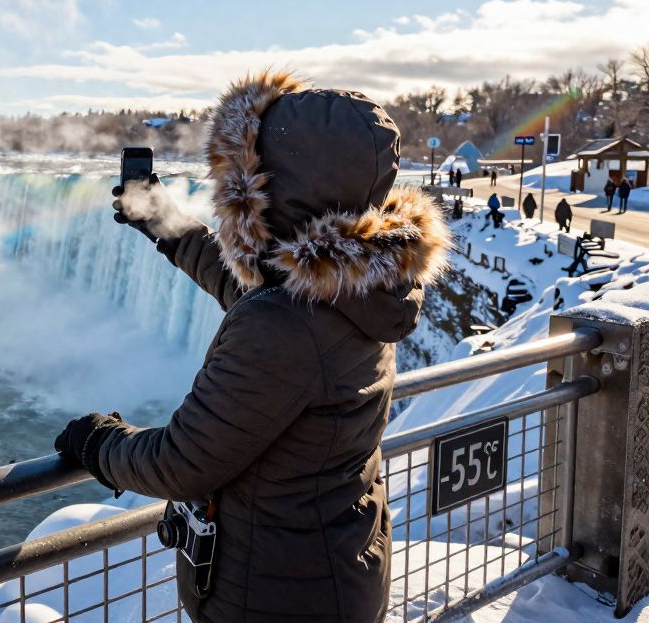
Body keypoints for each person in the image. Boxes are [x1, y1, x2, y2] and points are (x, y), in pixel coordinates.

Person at [58, 71, 450, 623]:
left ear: (276, 188)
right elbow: (247, 285)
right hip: (330, 571)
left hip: (274, 598)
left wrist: (98, 444)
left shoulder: (283, 327)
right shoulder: (356, 287)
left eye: (247, 177)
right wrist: (163, 224)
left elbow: (181, 462)